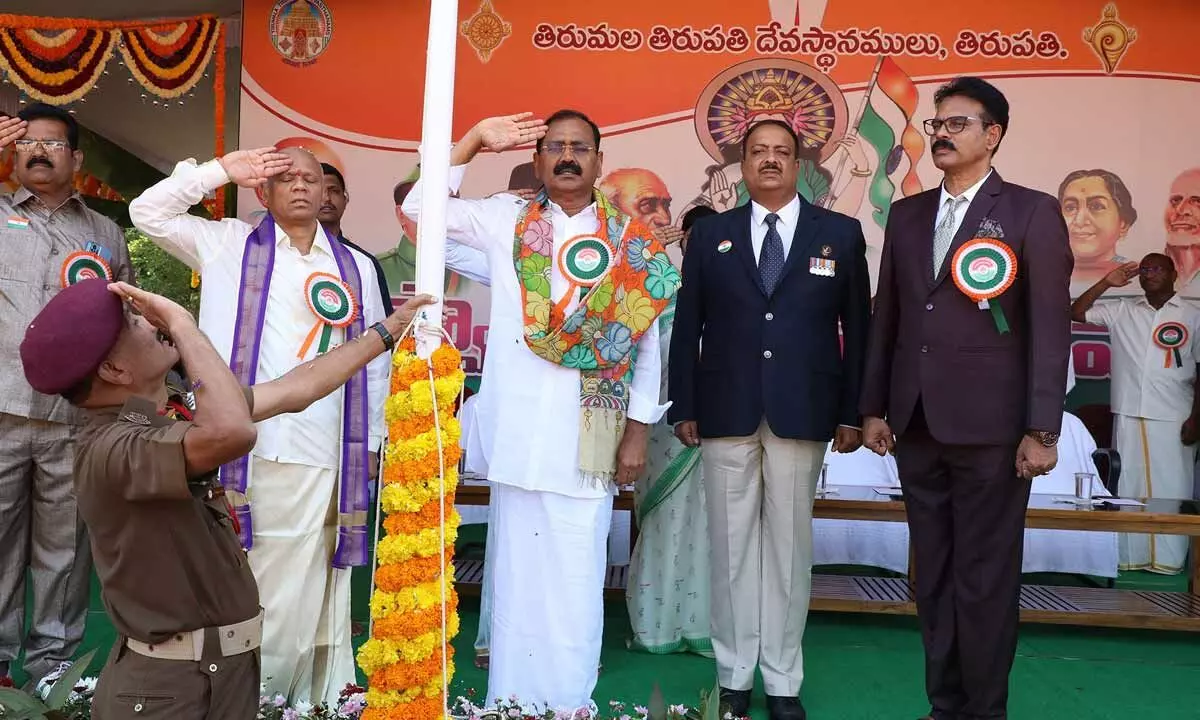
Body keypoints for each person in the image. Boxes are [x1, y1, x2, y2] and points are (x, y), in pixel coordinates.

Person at [18, 278, 433, 719]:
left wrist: (386, 332)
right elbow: (233, 432)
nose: (151, 321)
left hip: (217, 672)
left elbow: (295, 390)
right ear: (115, 372)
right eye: (134, 321)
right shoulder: (112, 449)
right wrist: (182, 324)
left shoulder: (159, 412)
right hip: (167, 691)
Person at [402, 110, 676, 713]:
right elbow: (422, 212)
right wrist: (470, 142)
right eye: (556, 147)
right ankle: (511, 703)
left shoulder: (633, 242)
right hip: (520, 430)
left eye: (581, 146)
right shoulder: (506, 220)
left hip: (592, 436)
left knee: (577, 579)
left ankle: (568, 702)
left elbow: (648, 344)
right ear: (540, 159)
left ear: (600, 161)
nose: (569, 156)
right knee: (516, 578)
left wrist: (637, 431)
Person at [128, 147, 388, 704]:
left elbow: (374, 358)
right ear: (262, 193)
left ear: (327, 195)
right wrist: (222, 171)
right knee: (248, 583)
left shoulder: (356, 266)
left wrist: (372, 446)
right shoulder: (225, 243)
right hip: (236, 447)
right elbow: (147, 213)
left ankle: (302, 701)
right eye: (284, 177)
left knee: (313, 585)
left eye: (310, 179)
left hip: (326, 447)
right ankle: (250, 698)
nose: (299, 186)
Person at [860, 77, 1072, 720]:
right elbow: (887, 317)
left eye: (957, 123)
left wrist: (1043, 427)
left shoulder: (1030, 211)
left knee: (984, 578)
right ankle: (944, 705)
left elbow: (1048, 325)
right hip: (917, 424)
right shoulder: (908, 212)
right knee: (935, 577)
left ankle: (985, 709)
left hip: (993, 432)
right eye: (936, 124)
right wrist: (873, 406)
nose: (942, 134)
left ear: (993, 135)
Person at [668, 119, 870, 720]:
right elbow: (688, 327)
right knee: (729, 550)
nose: (771, 161)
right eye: (759, 152)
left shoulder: (841, 233)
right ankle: (733, 674)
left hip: (803, 410)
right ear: (743, 164)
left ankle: (783, 681)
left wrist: (854, 411)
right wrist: (685, 405)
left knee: (788, 549)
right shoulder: (712, 236)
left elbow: (858, 329)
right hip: (725, 410)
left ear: (800, 163)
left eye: (783, 152)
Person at [0, 105, 132, 694]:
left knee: (63, 552)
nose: (39, 151)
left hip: (72, 417)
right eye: (27, 141)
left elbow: (124, 317)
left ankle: (53, 667)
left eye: (53, 144)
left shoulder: (104, 234)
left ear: (76, 159)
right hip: (0, 409)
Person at [626, 205, 717, 660]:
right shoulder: (658, 296)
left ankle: (704, 626)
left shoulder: (732, 298)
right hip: (663, 431)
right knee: (665, 523)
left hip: (720, 432)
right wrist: (645, 256)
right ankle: (655, 626)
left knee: (712, 527)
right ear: (681, 241)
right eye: (692, 237)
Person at [1071, 254, 1200, 573]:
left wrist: (1197, 419)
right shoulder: (1123, 310)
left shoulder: (1193, 315)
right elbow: (1074, 312)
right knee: (1129, 486)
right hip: (1129, 412)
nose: (1149, 274)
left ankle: (1168, 561)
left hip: (1175, 415)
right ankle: (1131, 558)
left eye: (1158, 268)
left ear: (1174, 275)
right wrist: (1105, 283)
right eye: (1145, 269)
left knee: (1173, 488)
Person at [377, 179, 490, 295]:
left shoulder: (480, 265)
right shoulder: (379, 268)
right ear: (401, 215)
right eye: (427, 206)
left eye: (453, 207)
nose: (442, 216)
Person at [318, 162, 395, 314]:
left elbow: (383, 323)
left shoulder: (364, 262)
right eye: (319, 191)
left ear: (345, 199)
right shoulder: (289, 254)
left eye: (333, 191)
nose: (326, 198)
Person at [1057, 169, 1136, 290]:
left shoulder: (1136, 273)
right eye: (1070, 207)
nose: (1079, 221)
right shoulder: (1041, 271)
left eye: (1096, 206)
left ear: (1123, 224)